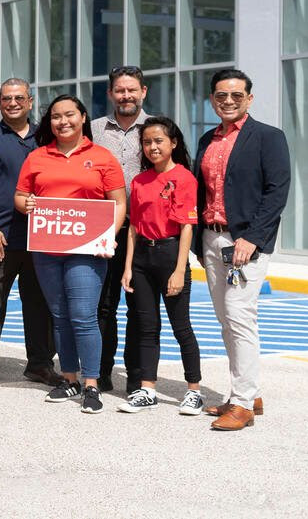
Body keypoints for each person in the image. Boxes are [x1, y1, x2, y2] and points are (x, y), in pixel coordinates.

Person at [15, 95, 126, 414]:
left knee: (84, 316)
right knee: (60, 317)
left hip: (88, 250)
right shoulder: (37, 157)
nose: (63, 121)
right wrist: (29, 204)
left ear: (82, 117)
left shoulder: (102, 157)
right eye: (55, 117)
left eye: (69, 115)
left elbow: (119, 203)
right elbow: (20, 198)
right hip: (47, 249)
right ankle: (69, 378)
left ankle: (91, 384)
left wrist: (108, 236)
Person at [194, 69, 290, 431]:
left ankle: (244, 404)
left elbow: (276, 191)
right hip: (212, 238)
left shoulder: (268, 137)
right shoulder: (207, 139)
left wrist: (253, 237)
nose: (228, 101)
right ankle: (247, 392)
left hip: (245, 241)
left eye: (236, 95)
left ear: (249, 98)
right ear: (212, 99)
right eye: (221, 95)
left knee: (239, 316)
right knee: (225, 320)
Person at [0, 78, 61, 390]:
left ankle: (40, 365)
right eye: (7, 98)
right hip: (0, 236)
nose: (13, 103)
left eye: (19, 98)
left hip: (41, 237)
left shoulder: (46, 139)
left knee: (40, 303)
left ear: (30, 102)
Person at [117, 116, 203, 414]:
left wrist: (180, 270)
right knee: (146, 327)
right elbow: (132, 229)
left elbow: (187, 229)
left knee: (181, 328)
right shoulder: (139, 181)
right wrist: (128, 268)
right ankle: (147, 388)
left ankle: (193, 390)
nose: (152, 147)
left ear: (173, 143)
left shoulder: (184, 178)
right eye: (147, 142)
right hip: (141, 259)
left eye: (158, 141)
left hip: (170, 256)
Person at [90, 65, 151, 392]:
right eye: (120, 90)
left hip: (143, 230)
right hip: (104, 227)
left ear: (144, 92)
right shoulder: (95, 130)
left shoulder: (157, 128)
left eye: (132, 90)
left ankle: (138, 376)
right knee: (103, 305)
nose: (126, 96)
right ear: (111, 94)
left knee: (140, 307)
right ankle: (100, 372)